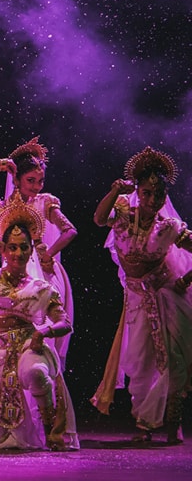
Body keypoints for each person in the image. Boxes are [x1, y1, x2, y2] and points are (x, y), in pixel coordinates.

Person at [92, 147, 192, 445]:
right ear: (138, 191)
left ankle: (172, 423)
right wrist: (113, 191)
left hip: (166, 299)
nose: (151, 200)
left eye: (157, 195)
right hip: (135, 302)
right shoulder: (123, 213)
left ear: (164, 197)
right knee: (138, 363)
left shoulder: (169, 227)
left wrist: (185, 279)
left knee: (173, 361)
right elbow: (99, 219)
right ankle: (144, 422)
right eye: (146, 193)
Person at [0, 198, 78, 450]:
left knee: (35, 372)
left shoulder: (39, 287)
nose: (18, 254)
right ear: (2, 251)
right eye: (12, 248)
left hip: (28, 348)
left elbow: (64, 322)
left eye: (24, 248)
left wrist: (44, 331)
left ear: (32, 250)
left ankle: (49, 431)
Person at [0, 137, 77, 368]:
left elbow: (70, 231)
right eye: (30, 180)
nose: (37, 186)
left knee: (41, 330)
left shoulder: (45, 202)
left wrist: (47, 254)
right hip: (9, 276)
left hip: (42, 274)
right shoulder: (1, 206)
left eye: (40, 181)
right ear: (16, 179)